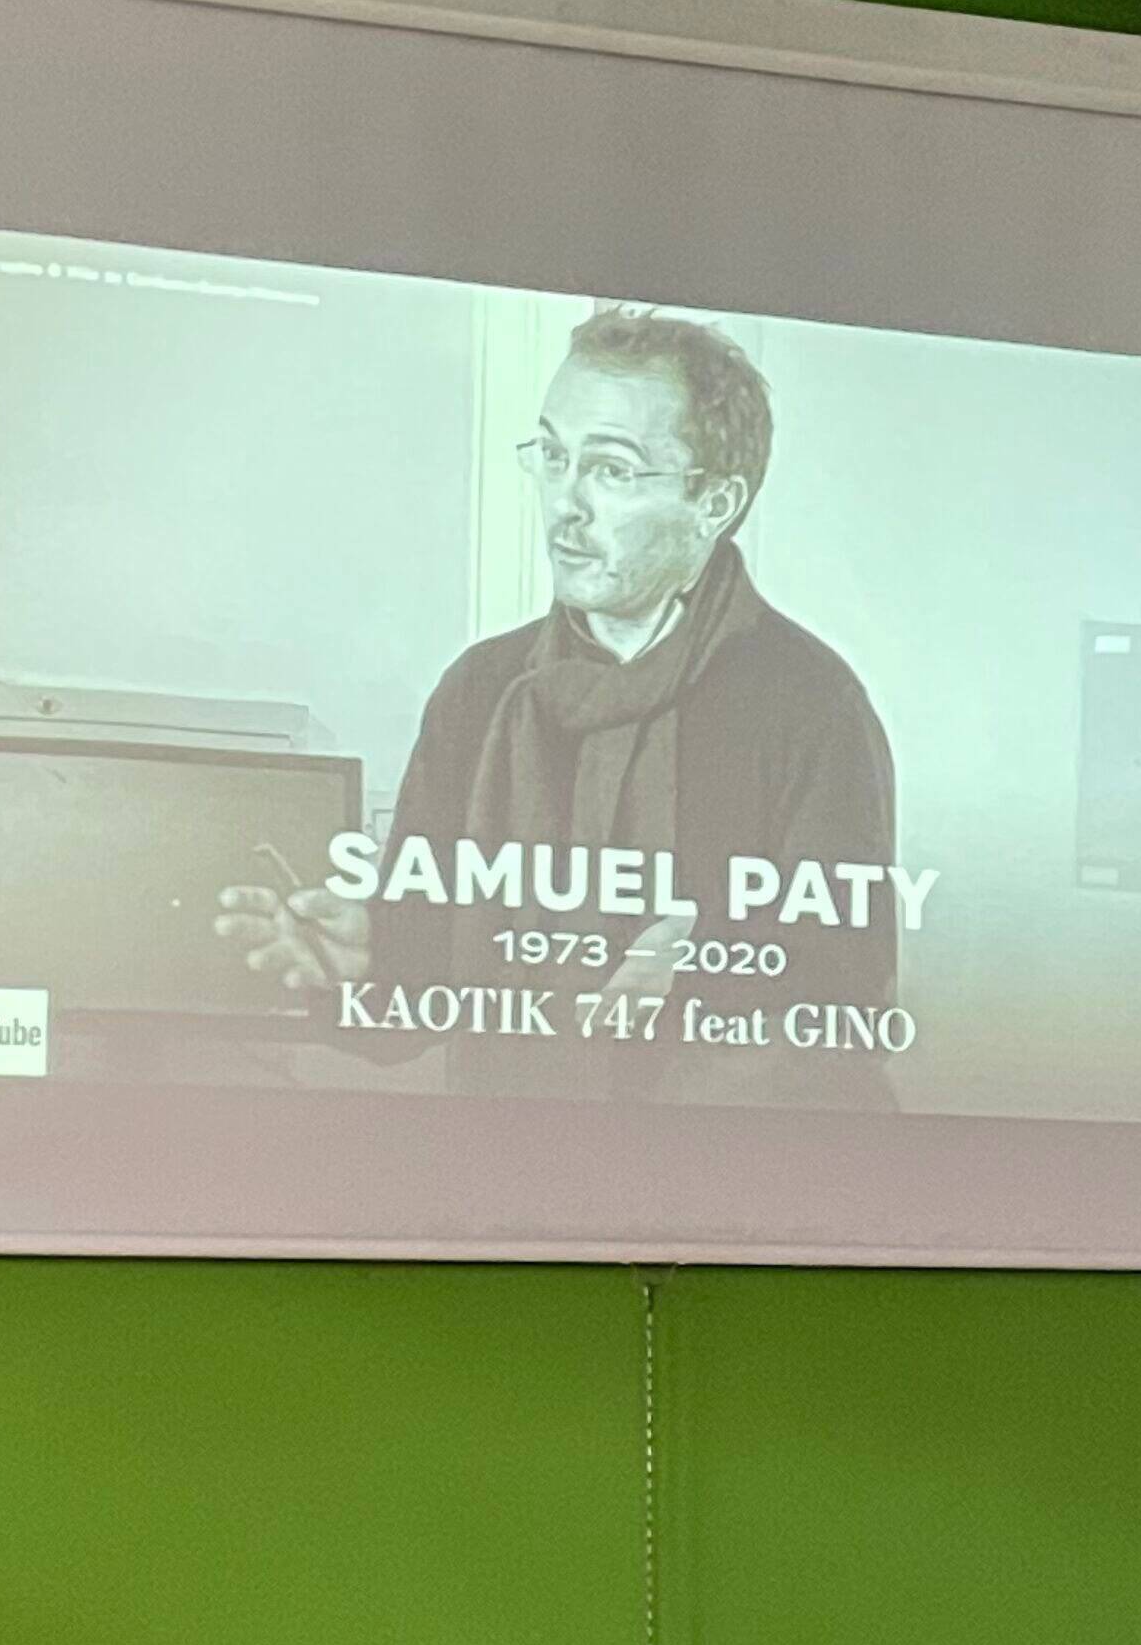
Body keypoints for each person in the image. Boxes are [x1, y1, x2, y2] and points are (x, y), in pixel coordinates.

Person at [217, 305, 898, 1088]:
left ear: (713, 503)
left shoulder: (811, 706)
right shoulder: (479, 690)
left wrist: (699, 991)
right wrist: (355, 969)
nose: (565, 503)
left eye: (611, 470)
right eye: (552, 455)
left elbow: (850, 1009)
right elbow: (412, 1000)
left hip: (713, 1159)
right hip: (507, 1153)